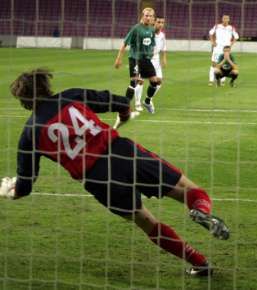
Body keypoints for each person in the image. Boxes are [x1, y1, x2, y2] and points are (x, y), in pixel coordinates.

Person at [1, 68, 230, 277]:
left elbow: (25, 186)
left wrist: (10, 191)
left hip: (97, 179)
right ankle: (200, 210)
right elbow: (118, 102)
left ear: (23, 100)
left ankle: (199, 262)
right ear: (45, 86)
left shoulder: (30, 134)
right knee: (188, 190)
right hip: (122, 152)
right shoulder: (69, 96)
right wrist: (123, 115)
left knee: (146, 221)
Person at [114, 7, 159, 114]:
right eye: (146, 15)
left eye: (151, 16)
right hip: (135, 59)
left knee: (154, 81)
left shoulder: (152, 29)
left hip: (146, 60)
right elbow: (125, 43)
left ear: (153, 18)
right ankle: (124, 107)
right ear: (142, 16)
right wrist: (118, 59)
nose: (148, 18)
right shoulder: (136, 28)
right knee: (134, 82)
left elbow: (152, 43)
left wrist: (151, 52)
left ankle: (147, 101)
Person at [208, 15, 239, 86]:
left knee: (225, 63)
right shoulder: (217, 26)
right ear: (222, 19)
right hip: (218, 47)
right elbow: (210, 33)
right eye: (224, 18)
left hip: (226, 49)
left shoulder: (231, 28)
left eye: (227, 18)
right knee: (214, 63)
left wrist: (231, 44)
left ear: (229, 20)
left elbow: (236, 37)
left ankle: (222, 81)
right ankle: (211, 80)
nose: (225, 20)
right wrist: (212, 42)